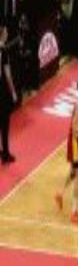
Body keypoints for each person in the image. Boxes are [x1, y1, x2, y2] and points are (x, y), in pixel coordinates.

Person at [55, 78, 78, 225]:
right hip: (74, 143)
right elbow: (75, 128)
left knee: (72, 172)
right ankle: (74, 213)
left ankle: (60, 194)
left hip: (77, 142)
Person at [0, 22, 17, 164]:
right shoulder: (3, 51)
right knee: (5, 123)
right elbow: (7, 74)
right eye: (5, 32)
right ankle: (5, 154)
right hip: (2, 91)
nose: (7, 33)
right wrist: (13, 92)